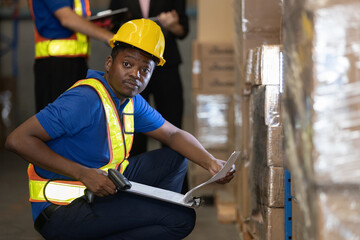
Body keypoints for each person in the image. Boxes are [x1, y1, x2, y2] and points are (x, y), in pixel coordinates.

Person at [5, 19, 235, 240]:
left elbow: (172, 134)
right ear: (109, 63)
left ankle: (141, 217)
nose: (135, 74)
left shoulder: (130, 101)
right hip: (61, 212)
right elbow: (17, 140)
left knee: (175, 159)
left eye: (145, 70)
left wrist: (210, 162)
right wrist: (83, 173)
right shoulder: (84, 100)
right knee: (180, 219)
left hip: (103, 189)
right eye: (127, 64)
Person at [109, 0, 189, 158]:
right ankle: (133, 178)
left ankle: (176, 179)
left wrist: (172, 25)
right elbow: (113, 25)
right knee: (133, 131)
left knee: (171, 123)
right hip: (131, 67)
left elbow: (183, 30)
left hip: (166, 66)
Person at [29, 0, 114, 112]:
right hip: (56, 65)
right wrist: (112, 38)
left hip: (74, 62)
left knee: (76, 118)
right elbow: (67, 18)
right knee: (57, 121)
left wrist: (97, 25)